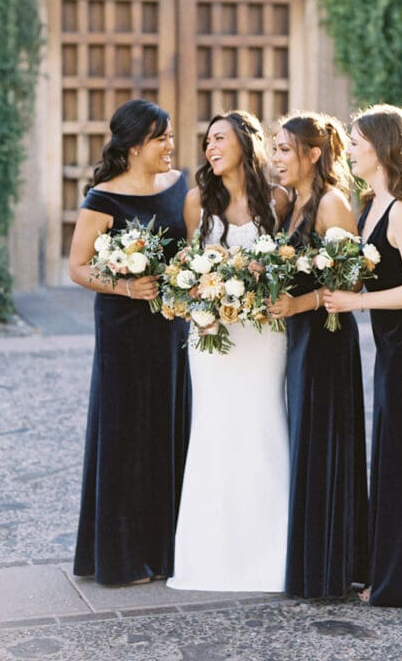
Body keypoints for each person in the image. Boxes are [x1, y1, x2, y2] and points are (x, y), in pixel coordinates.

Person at [323, 104, 402, 611]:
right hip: (394, 346)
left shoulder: (400, 208)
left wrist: (357, 302)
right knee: (396, 461)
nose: (350, 149)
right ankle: (394, 572)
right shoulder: (368, 203)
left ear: (381, 148)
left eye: (357, 141)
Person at [167, 111, 291, 592]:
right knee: (214, 430)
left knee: (262, 425)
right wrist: (196, 295)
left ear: (245, 143)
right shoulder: (197, 201)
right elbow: (190, 265)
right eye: (207, 141)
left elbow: (286, 265)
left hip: (263, 335)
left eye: (220, 138)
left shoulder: (279, 200)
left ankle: (273, 555)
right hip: (212, 338)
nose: (210, 147)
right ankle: (209, 557)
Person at [69, 99, 190, 585]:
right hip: (122, 332)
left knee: (169, 428)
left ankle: (167, 552)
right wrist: (125, 286)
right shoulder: (103, 199)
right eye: (161, 138)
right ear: (135, 144)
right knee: (124, 435)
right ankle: (120, 558)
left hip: (171, 328)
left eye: (169, 138)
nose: (170, 146)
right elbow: (78, 267)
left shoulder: (180, 186)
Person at [270, 112, 369, 599]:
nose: (276, 158)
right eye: (274, 148)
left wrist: (299, 303)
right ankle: (312, 560)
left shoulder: (332, 203)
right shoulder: (293, 202)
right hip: (302, 336)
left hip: (328, 338)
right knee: (306, 443)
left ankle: (333, 566)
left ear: (313, 154)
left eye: (285, 149)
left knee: (326, 445)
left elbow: (350, 281)